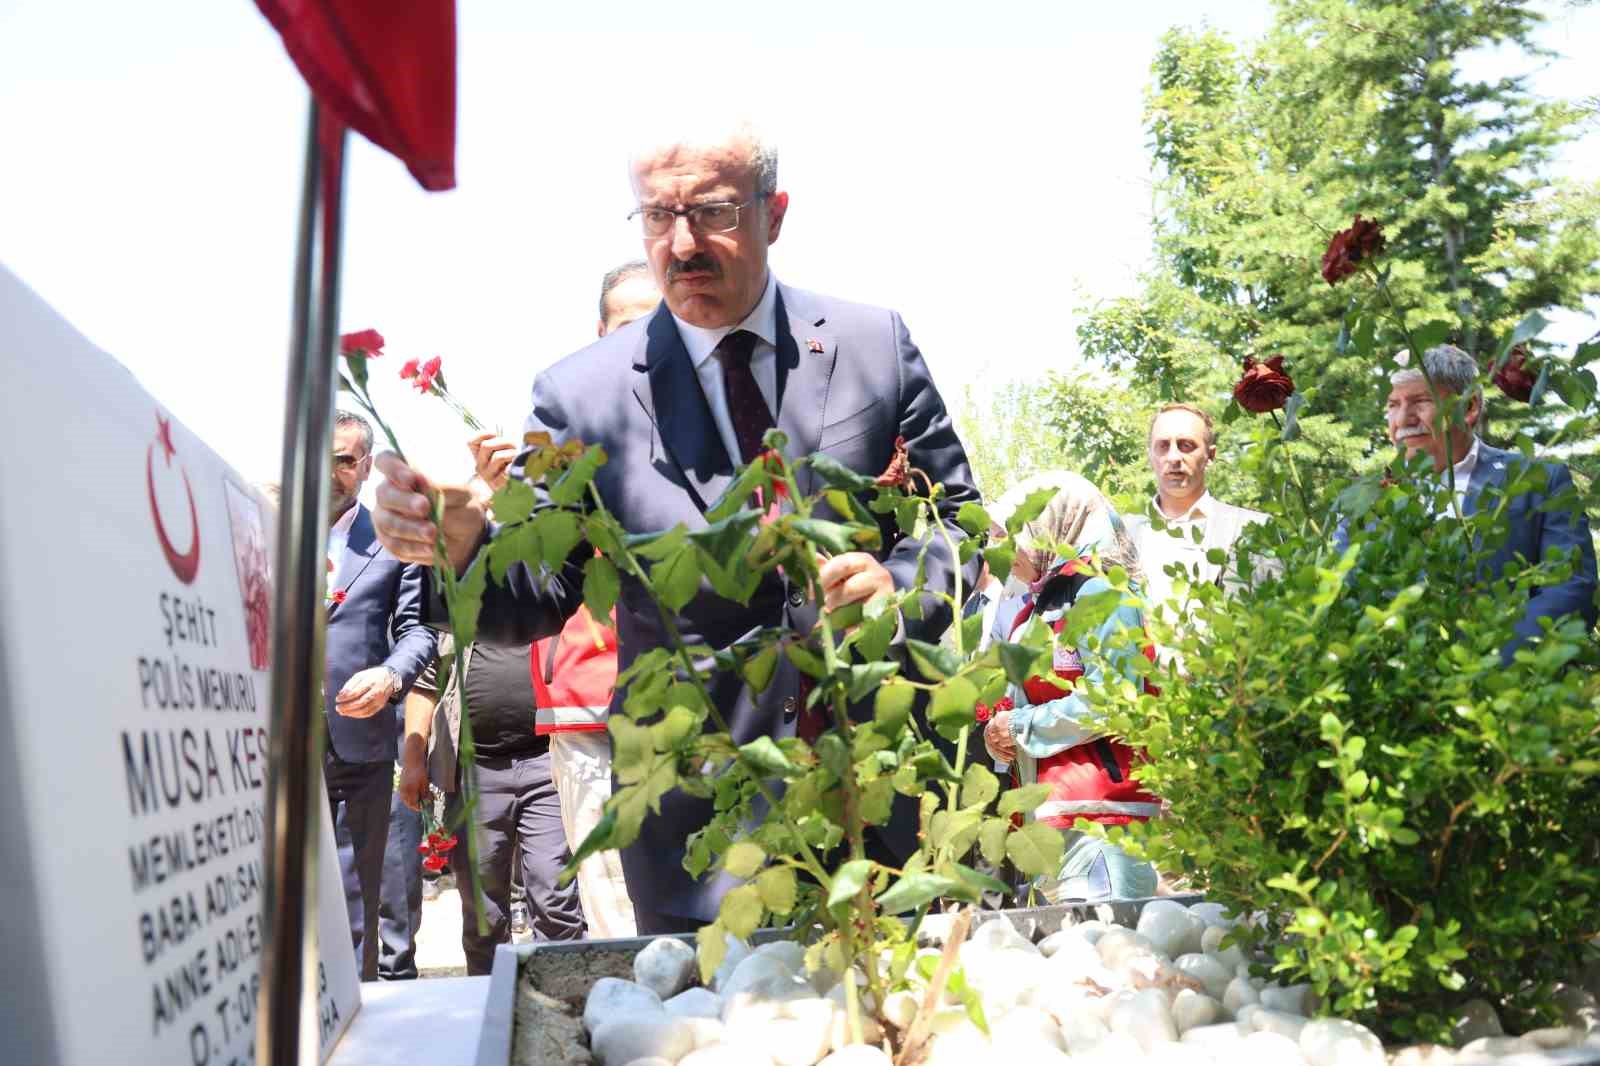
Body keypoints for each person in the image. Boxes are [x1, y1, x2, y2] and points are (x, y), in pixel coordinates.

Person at [370, 115, 980, 932]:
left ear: (776, 213)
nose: (683, 243)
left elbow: (960, 523)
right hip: (702, 820)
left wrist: (897, 592)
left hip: (885, 785)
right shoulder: (579, 397)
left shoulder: (874, 344)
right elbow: (542, 587)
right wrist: (463, 552)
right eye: (659, 216)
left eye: (715, 213)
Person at [982, 472, 1160, 903]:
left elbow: (1114, 699)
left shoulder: (1104, 594)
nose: (1000, 552)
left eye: (1011, 536)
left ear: (1047, 527)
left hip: (1105, 823)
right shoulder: (1034, 611)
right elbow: (1018, 703)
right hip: (1050, 827)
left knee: (1113, 956)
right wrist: (997, 734)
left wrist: (1020, 726)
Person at [1369, 344, 1597, 655]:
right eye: (1393, 405)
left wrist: (1485, 665)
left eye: (1420, 401)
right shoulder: (1368, 499)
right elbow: (1350, 594)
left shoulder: (1538, 481)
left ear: (1469, 407)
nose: (1404, 418)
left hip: (1515, 686)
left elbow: (1571, 589)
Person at [323, 410, 437, 980]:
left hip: (359, 746)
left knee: (360, 903)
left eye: (344, 460)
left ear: (365, 467)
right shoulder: (269, 532)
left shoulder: (393, 543)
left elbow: (418, 630)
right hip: (278, 747)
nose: (330, 471)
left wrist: (391, 675)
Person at [1128, 403, 1268, 648]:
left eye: (1186, 445)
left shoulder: (1252, 529)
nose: (1173, 457)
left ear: (1210, 455)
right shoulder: (1122, 533)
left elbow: (1261, 630)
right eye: (1163, 446)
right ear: (1150, 454)